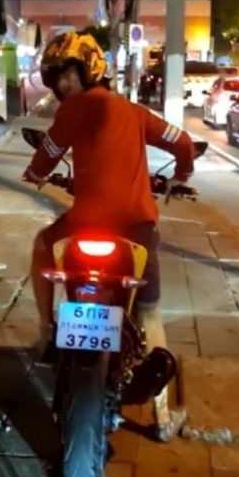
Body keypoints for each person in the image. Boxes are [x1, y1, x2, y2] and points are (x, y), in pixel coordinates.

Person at [21, 32, 195, 442]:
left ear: (88, 70)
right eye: (56, 78)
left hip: (84, 226)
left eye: (67, 75)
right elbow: (183, 143)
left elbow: (45, 156)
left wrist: (35, 175)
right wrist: (182, 176)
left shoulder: (71, 113)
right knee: (149, 313)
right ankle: (160, 416)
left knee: (44, 246)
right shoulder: (135, 114)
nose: (62, 85)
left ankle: (48, 332)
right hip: (137, 227)